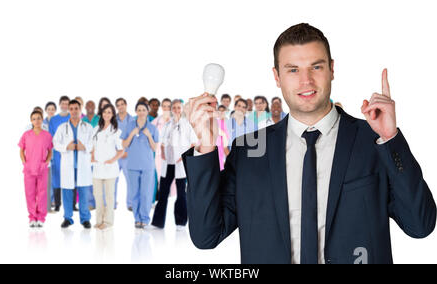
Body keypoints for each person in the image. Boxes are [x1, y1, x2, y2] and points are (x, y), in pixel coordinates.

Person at [182, 23, 436, 264]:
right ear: (277, 76)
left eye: (316, 67)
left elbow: (420, 225)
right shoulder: (249, 150)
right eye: (293, 69)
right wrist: (205, 146)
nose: (306, 81)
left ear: (332, 69)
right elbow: (206, 236)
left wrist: (390, 140)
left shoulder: (374, 141)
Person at [151, 100, 197, 230]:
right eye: (174, 108)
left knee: (181, 193)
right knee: (163, 193)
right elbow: (163, 141)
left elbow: (193, 143)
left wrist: (185, 156)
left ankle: (181, 223)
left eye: (179, 108)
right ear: (171, 109)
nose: (176, 110)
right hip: (168, 163)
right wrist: (164, 152)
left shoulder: (187, 125)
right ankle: (157, 223)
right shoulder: (167, 125)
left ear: (181, 110)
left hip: (180, 163)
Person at [53, 100, 93, 229]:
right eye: (72, 108)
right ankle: (68, 218)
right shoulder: (62, 127)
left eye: (76, 108)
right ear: (69, 110)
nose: (74, 111)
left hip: (82, 165)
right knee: (67, 192)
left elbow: (93, 144)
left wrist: (84, 147)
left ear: (80, 109)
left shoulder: (87, 127)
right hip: (68, 165)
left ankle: (85, 219)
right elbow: (55, 143)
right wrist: (67, 146)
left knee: (83, 192)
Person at [121, 102, 159, 229]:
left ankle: (145, 218)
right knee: (134, 193)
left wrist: (148, 136)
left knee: (146, 193)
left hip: (147, 165)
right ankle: (137, 219)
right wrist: (132, 133)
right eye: (139, 110)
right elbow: (124, 145)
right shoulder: (129, 125)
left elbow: (155, 148)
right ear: (136, 111)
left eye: (144, 110)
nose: (141, 112)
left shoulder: (153, 128)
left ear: (147, 111)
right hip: (132, 165)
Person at [91, 104, 124, 230]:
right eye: (105, 112)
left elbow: (121, 150)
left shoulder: (116, 131)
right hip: (97, 168)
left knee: (109, 196)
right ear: (101, 114)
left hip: (110, 169)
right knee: (98, 195)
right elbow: (93, 146)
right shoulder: (96, 129)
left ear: (112, 115)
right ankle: (99, 220)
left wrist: (112, 160)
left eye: (109, 112)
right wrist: (92, 156)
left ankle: (108, 222)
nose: (106, 114)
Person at [19, 110, 53, 228]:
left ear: (42, 119)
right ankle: (32, 217)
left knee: (42, 194)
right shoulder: (26, 135)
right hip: (29, 169)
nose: (36, 121)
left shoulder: (47, 135)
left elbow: (50, 151)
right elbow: (21, 150)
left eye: (39, 118)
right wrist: (25, 163)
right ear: (31, 121)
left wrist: (46, 162)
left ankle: (41, 218)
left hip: (42, 169)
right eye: (34, 119)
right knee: (30, 193)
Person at [49, 96, 71, 212]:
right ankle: (57, 203)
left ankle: (71, 205)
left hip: (70, 152)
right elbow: (52, 137)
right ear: (59, 104)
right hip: (57, 153)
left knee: (70, 177)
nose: (64, 106)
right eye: (63, 103)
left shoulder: (72, 117)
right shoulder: (53, 120)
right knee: (57, 178)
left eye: (67, 104)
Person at [152, 98, 174, 203]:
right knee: (161, 178)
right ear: (161, 107)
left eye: (168, 106)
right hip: (159, 155)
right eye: (164, 106)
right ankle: (163, 200)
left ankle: (172, 200)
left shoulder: (176, 120)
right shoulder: (155, 122)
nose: (166, 108)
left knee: (173, 180)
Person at [116, 98, 134, 210]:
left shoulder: (132, 120)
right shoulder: (113, 120)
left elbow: (134, 139)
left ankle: (131, 203)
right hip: (115, 155)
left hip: (128, 156)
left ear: (126, 105)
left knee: (130, 180)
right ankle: (111, 204)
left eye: (122, 104)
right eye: (118, 105)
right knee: (112, 179)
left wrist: (128, 152)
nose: (121, 106)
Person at [82, 100, 100, 210]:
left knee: (98, 178)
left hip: (98, 152)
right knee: (88, 178)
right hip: (86, 152)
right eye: (88, 105)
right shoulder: (82, 120)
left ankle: (98, 202)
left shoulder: (99, 119)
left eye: (92, 105)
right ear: (85, 107)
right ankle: (90, 203)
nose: (90, 107)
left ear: (95, 107)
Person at [44, 102, 57, 212]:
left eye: (53, 109)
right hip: (45, 154)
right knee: (47, 178)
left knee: (54, 177)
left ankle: (53, 200)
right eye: (49, 109)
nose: (51, 111)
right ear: (46, 110)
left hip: (56, 152)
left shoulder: (56, 122)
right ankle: (47, 200)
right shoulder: (42, 123)